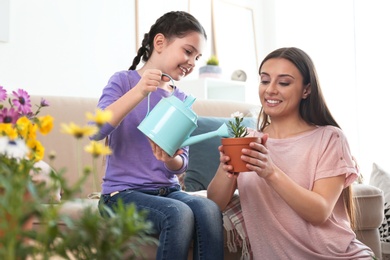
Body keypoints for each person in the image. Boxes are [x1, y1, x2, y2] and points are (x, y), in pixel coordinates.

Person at [207, 47, 375, 259]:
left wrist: (271, 173)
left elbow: (320, 211)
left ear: (306, 90)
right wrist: (227, 170)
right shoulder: (247, 140)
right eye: (265, 80)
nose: (270, 90)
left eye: (284, 82)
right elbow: (214, 205)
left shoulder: (330, 138)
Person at [93, 11, 224, 260]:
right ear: (160, 43)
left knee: (208, 209)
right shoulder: (124, 81)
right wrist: (140, 91)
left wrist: (169, 159)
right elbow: (96, 131)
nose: (192, 62)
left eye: (197, 57)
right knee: (178, 213)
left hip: (167, 191)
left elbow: (181, 161)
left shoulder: (182, 99)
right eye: (188, 51)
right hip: (121, 195)